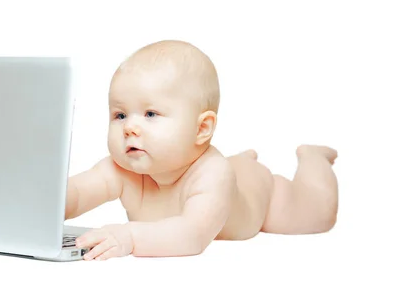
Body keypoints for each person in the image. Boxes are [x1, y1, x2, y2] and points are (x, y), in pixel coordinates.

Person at [65, 40, 338, 261]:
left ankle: (314, 158)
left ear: (202, 129)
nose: (129, 128)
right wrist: (42, 201)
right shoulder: (121, 169)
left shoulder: (212, 174)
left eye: (150, 113)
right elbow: (76, 195)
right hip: (234, 170)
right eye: (120, 115)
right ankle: (242, 160)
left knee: (317, 213)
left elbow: (192, 234)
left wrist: (128, 237)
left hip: (259, 193)